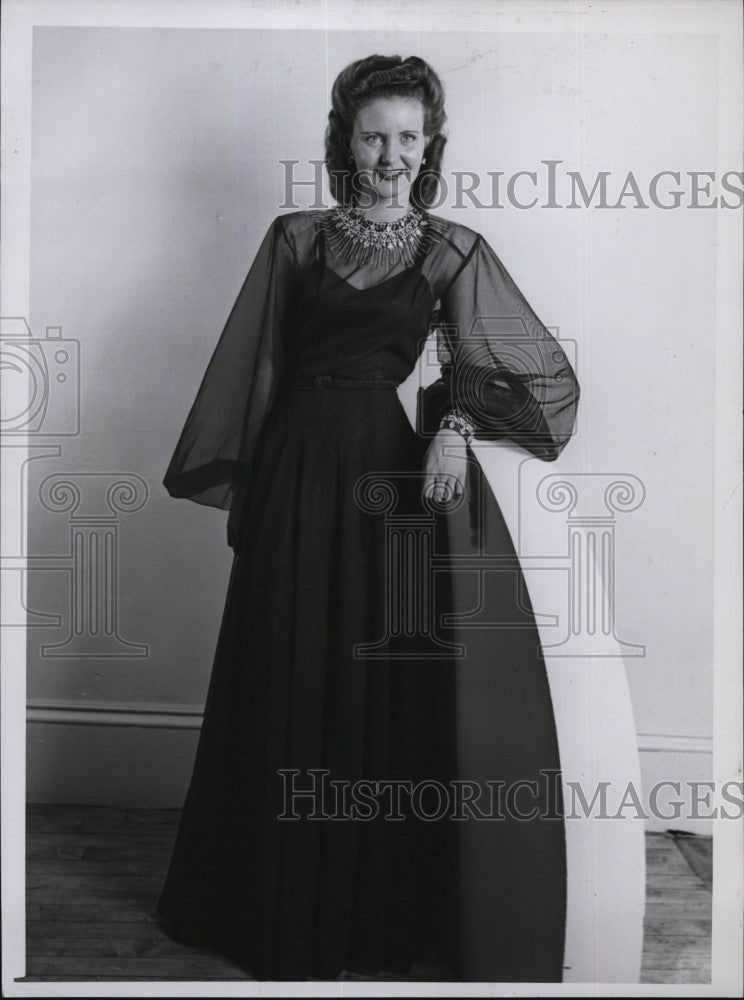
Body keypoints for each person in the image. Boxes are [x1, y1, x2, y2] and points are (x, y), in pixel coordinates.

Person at [157, 53, 580, 983]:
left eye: (408, 138)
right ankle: (261, 905)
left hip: (386, 477)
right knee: (282, 662)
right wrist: (257, 492)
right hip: (295, 472)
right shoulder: (294, 237)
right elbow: (256, 371)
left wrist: (452, 429)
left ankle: (362, 916)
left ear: (430, 147)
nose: (390, 155)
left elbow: (522, 369)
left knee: (370, 678)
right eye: (372, 135)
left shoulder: (451, 248)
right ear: (344, 141)